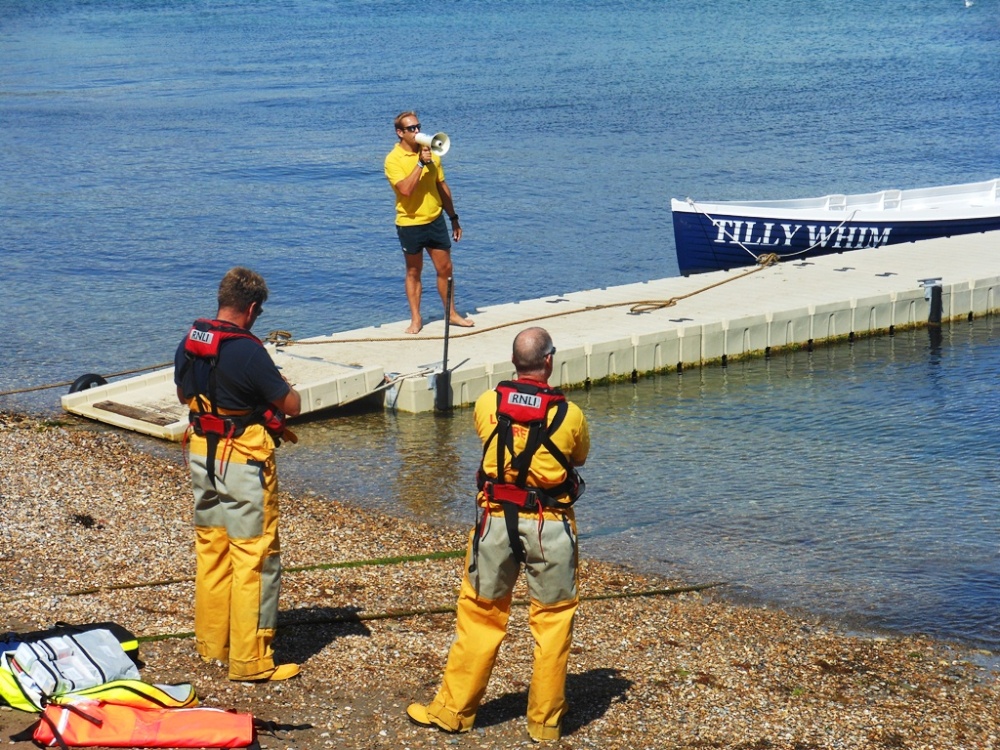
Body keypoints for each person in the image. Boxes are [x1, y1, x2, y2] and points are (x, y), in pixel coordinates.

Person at [407, 327, 590, 743]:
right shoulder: (570, 414)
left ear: (514, 362)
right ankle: (544, 724)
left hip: (494, 521)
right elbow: (579, 456)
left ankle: (453, 711)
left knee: (479, 614)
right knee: (553, 622)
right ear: (548, 361)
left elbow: (488, 437)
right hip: (550, 525)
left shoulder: (489, 402)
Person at [173, 267, 302, 682]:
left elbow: (184, 395)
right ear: (251, 308)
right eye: (258, 313)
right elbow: (291, 405)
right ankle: (250, 660)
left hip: (201, 455)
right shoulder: (248, 351)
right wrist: (282, 383)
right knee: (254, 556)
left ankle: (213, 644)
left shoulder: (193, 341)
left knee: (212, 549)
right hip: (243, 461)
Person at [384, 110, 474, 334]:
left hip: (435, 220)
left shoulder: (433, 154)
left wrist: (453, 218)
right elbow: (405, 190)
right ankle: (416, 318)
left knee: (446, 268)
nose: (416, 131)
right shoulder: (392, 159)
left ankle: (451, 314)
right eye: (411, 128)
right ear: (399, 133)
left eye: (418, 126)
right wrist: (420, 164)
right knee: (414, 271)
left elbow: (442, 187)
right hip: (410, 223)